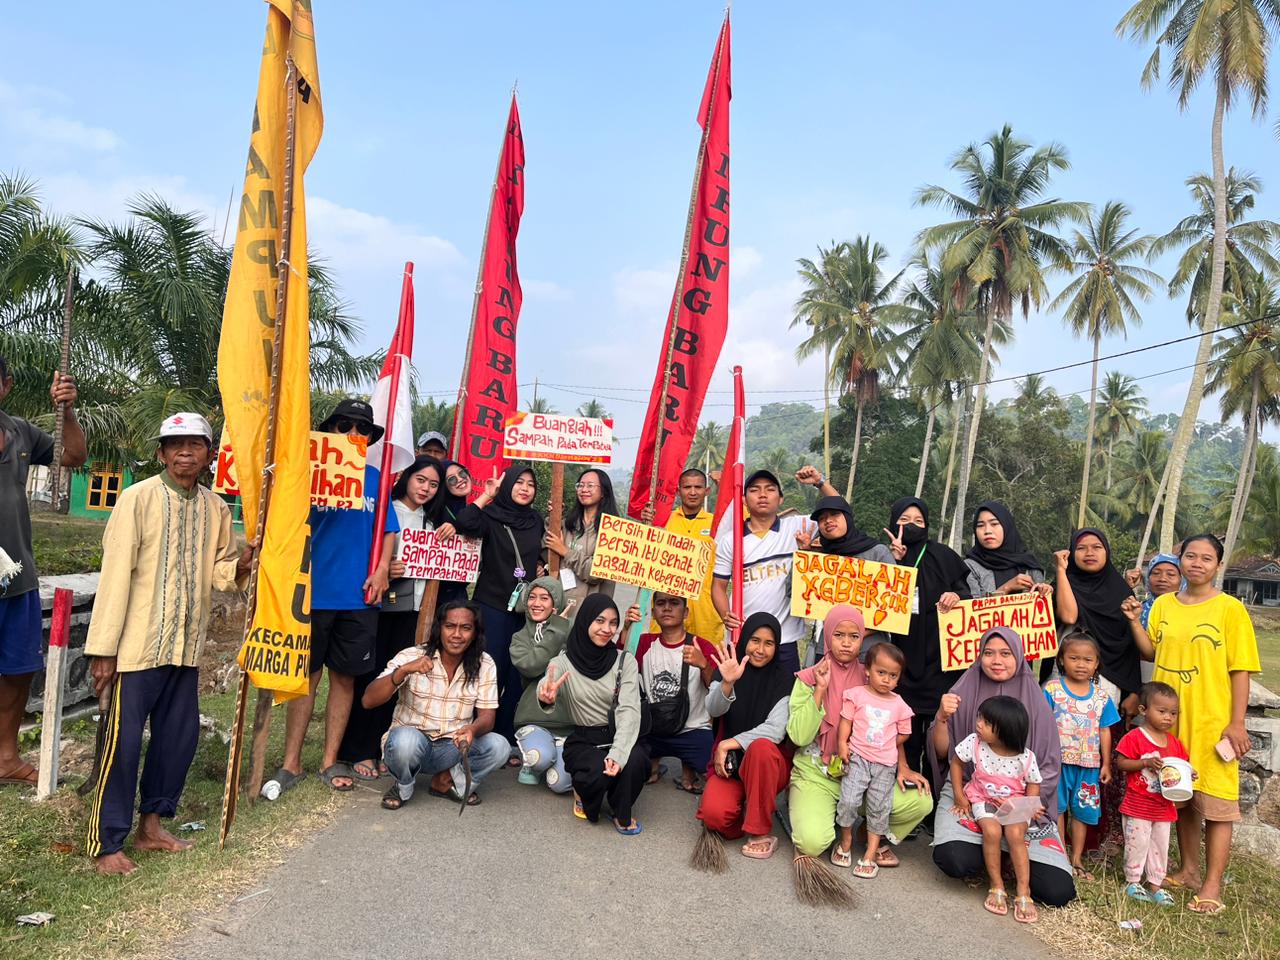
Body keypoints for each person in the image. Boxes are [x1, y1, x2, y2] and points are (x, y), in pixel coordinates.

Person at [83, 413, 251, 874]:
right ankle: (106, 843)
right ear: (161, 453)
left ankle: (152, 826)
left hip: (185, 647)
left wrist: (240, 565)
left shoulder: (216, 508)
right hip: (136, 647)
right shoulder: (137, 499)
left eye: (194, 444)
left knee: (177, 740)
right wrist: (103, 649)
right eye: (175, 444)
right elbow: (114, 577)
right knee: (122, 747)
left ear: (209, 454)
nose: (184, 453)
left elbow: (219, 571)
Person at [264, 399, 398, 797]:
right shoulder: (308, 473)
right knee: (306, 677)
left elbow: (387, 530)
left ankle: (329, 760)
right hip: (311, 592)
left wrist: (382, 569)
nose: (353, 434)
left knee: (344, 678)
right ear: (330, 430)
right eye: (345, 425)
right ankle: (291, 762)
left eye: (362, 429)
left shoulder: (376, 478)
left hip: (360, 597)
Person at [1129, 533, 1259, 916]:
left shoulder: (1230, 609)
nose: (1197, 563)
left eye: (1206, 558)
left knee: (1217, 805)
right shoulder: (1164, 604)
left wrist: (1237, 723)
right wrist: (1134, 621)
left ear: (1218, 565)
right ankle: (1188, 871)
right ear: (1180, 560)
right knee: (1181, 797)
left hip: (1213, 721)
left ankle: (1211, 885)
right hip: (1170, 722)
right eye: (1190, 556)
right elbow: (1152, 651)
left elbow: (1241, 670)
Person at [929, 626, 1076, 907]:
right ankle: (996, 860)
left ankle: (1008, 858)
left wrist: (1020, 805)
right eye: (989, 653)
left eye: (1006, 654)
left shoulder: (1036, 702)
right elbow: (944, 753)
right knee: (954, 859)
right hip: (974, 793)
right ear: (979, 656)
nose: (996, 661)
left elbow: (1047, 769)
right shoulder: (962, 691)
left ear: (1019, 656)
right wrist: (941, 717)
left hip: (1020, 800)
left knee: (1057, 891)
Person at [787, 605, 932, 881]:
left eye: (854, 636)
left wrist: (902, 766)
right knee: (812, 842)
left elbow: (887, 727)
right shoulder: (808, 678)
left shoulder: (873, 676)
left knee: (920, 802)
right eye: (838, 634)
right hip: (818, 773)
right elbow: (798, 737)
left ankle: (869, 830)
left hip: (866, 772)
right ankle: (822, 815)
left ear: (863, 638)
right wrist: (820, 690)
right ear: (827, 635)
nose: (846, 642)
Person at [0, 358, 85, 788]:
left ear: (6, 385)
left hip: (16, 578)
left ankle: (6, 758)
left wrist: (65, 411)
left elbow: (72, 455)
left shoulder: (19, 432)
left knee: (17, 670)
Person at [340, 455, 447, 781]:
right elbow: (362, 555)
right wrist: (386, 569)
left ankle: (383, 746)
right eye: (420, 480)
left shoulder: (433, 523)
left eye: (433, 484)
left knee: (398, 681)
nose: (426, 488)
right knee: (371, 676)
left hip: (415, 613)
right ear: (406, 478)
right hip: (381, 610)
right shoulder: (387, 511)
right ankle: (358, 749)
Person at [361, 601, 507, 810]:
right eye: (450, 626)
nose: (457, 635)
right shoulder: (412, 656)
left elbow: (487, 717)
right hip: (412, 746)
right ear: (439, 629)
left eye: (466, 628)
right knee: (406, 740)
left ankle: (446, 780)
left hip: (454, 747)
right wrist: (403, 671)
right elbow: (368, 700)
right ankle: (403, 785)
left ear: (475, 633)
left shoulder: (484, 663)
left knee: (499, 746)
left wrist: (472, 729)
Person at [538, 594, 648, 834]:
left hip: (617, 734)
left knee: (636, 761)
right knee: (596, 772)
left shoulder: (625, 661)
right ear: (585, 620)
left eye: (613, 623)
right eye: (599, 621)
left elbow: (629, 710)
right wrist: (545, 694)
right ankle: (584, 792)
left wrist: (618, 754)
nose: (607, 629)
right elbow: (548, 682)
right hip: (584, 739)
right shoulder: (562, 662)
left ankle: (621, 811)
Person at [454, 465, 545, 742]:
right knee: (488, 669)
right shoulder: (491, 515)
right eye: (519, 482)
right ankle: (477, 732)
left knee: (518, 672)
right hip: (492, 605)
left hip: (525, 610)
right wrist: (487, 495)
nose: (525, 488)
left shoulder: (535, 520)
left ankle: (505, 736)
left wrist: (540, 564)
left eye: (530, 484)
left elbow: (539, 552)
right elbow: (465, 521)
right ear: (507, 486)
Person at [695, 612, 794, 860]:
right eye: (755, 640)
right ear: (745, 640)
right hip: (730, 765)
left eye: (769, 643)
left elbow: (776, 729)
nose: (760, 650)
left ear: (777, 646)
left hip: (768, 766)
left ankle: (760, 831)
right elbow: (713, 710)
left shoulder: (784, 679)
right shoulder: (729, 666)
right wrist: (727, 683)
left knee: (761, 747)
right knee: (714, 817)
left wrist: (729, 743)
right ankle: (747, 809)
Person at [882, 496, 969, 779]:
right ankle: (907, 793)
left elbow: (966, 595)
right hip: (902, 665)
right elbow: (878, 604)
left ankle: (936, 797)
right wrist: (896, 562)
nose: (912, 525)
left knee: (938, 740)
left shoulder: (943, 556)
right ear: (893, 524)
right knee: (906, 736)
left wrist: (956, 595)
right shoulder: (884, 559)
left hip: (940, 666)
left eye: (918, 521)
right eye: (904, 520)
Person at [948, 695, 1044, 924]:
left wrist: (1029, 806)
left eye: (987, 722)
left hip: (1014, 804)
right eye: (980, 718)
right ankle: (997, 884)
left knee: (1015, 833)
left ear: (1007, 730)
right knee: (991, 831)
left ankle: (1023, 890)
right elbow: (956, 763)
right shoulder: (975, 743)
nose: (978, 724)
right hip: (983, 798)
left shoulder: (1026, 757)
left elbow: (1034, 783)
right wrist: (959, 796)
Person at [711, 469, 813, 673]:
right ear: (744, 500)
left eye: (770, 489)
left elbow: (842, 516)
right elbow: (718, 587)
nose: (763, 495)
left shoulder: (798, 526)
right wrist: (726, 615)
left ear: (781, 499)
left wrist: (819, 482)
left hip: (785, 638)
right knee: (741, 691)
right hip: (744, 638)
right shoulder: (731, 540)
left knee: (784, 692)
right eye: (755, 490)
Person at [1042, 633, 1119, 880]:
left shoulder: (1101, 697)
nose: (1081, 664)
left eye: (1088, 659)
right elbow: (1043, 725)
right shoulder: (1052, 690)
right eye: (1074, 658)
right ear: (1061, 660)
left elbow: (1105, 730)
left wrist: (1106, 764)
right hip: (1058, 763)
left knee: (1082, 811)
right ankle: (1060, 855)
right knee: (1057, 808)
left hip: (1089, 765)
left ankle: (1077, 858)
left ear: (1096, 664)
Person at [833, 642, 913, 879]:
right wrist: (842, 744)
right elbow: (846, 721)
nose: (886, 680)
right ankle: (846, 840)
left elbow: (905, 733)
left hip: (885, 765)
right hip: (857, 758)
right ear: (867, 670)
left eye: (893, 675)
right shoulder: (856, 695)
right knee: (848, 800)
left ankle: (870, 853)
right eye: (881, 672)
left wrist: (887, 742)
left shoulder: (899, 704)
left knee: (879, 807)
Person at [1053, 528, 1143, 718]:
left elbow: (1129, 645)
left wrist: (1135, 690)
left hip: (1108, 680)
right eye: (1081, 548)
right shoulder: (1062, 584)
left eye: (1097, 547)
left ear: (1106, 552)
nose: (1089, 553)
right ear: (1071, 553)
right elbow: (1069, 617)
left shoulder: (1121, 591)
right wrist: (1061, 570)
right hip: (1064, 675)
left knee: (1099, 730)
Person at [633, 592, 718, 794]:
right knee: (633, 769)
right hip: (653, 729)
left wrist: (704, 664)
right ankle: (653, 765)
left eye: (674, 603)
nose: (667, 608)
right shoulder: (644, 643)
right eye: (660, 603)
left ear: (686, 612)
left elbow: (718, 693)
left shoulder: (702, 646)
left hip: (693, 730)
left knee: (717, 777)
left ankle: (688, 768)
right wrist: (628, 628)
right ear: (653, 612)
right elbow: (622, 664)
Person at [1114, 681, 1189, 907]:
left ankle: (1156, 884)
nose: (1168, 718)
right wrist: (1144, 763)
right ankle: (1132, 881)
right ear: (1143, 710)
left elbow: (1181, 766)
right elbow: (1121, 763)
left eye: (1173, 713)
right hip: (1138, 804)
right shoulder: (1135, 737)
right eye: (1162, 711)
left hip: (1163, 807)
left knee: (1159, 846)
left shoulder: (1174, 743)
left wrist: (1189, 774)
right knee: (1137, 843)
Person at [641, 468, 724, 645]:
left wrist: (723, 485)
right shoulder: (662, 521)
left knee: (707, 659)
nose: (693, 492)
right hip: (667, 610)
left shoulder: (717, 523)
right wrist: (647, 524)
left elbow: (745, 521)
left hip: (705, 611)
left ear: (707, 491)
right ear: (678, 492)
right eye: (687, 487)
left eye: (698, 487)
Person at [510, 576, 574, 792]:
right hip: (534, 718)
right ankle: (534, 762)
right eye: (532, 597)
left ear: (556, 602)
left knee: (560, 783)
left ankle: (558, 751)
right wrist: (555, 630)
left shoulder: (572, 629)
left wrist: (626, 626)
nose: (536, 603)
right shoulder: (520, 638)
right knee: (540, 759)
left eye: (544, 598)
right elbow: (531, 666)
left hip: (568, 722)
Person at [545, 467, 618, 609]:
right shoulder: (568, 523)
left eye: (590, 486)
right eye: (580, 485)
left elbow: (596, 573)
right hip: (559, 605)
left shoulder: (612, 531)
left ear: (603, 492)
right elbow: (546, 552)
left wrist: (565, 552)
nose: (584, 489)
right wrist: (554, 518)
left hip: (590, 609)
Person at [964, 501, 1051, 599]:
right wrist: (1006, 588)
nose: (987, 531)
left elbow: (1041, 603)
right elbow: (970, 606)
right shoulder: (970, 567)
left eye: (994, 524)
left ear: (1006, 526)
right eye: (980, 525)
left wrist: (1044, 591)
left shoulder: (1029, 563)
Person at [1134, 553, 1181, 630]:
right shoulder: (1137, 611)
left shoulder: (1190, 611)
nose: (1162, 579)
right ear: (1148, 578)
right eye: (1156, 573)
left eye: (1171, 574)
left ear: (1182, 580)